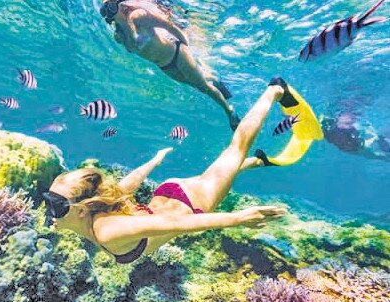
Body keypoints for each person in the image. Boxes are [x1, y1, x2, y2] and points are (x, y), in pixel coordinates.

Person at [43, 78, 300, 264]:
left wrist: (239, 218)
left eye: (55, 204)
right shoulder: (101, 206)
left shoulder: (106, 230)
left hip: (191, 204)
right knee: (216, 172)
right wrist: (154, 162)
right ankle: (255, 163)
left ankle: (274, 90)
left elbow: (176, 223)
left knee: (235, 149)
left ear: (80, 209)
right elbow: (127, 185)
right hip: (167, 191)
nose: (49, 211)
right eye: (49, 201)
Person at [100, 0, 240, 131]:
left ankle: (230, 113)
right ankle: (215, 78)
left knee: (203, 86)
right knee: (200, 86)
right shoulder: (119, 36)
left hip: (178, 54)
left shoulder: (138, 16)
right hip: (165, 67)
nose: (109, 10)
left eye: (110, 5)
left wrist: (186, 45)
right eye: (105, 9)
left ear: (121, 4)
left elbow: (168, 25)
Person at [321, 115, 390, 162]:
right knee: (371, 155)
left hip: (357, 147)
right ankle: (377, 138)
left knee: (372, 155)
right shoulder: (329, 133)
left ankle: (377, 138)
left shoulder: (330, 132)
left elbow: (355, 131)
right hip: (352, 148)